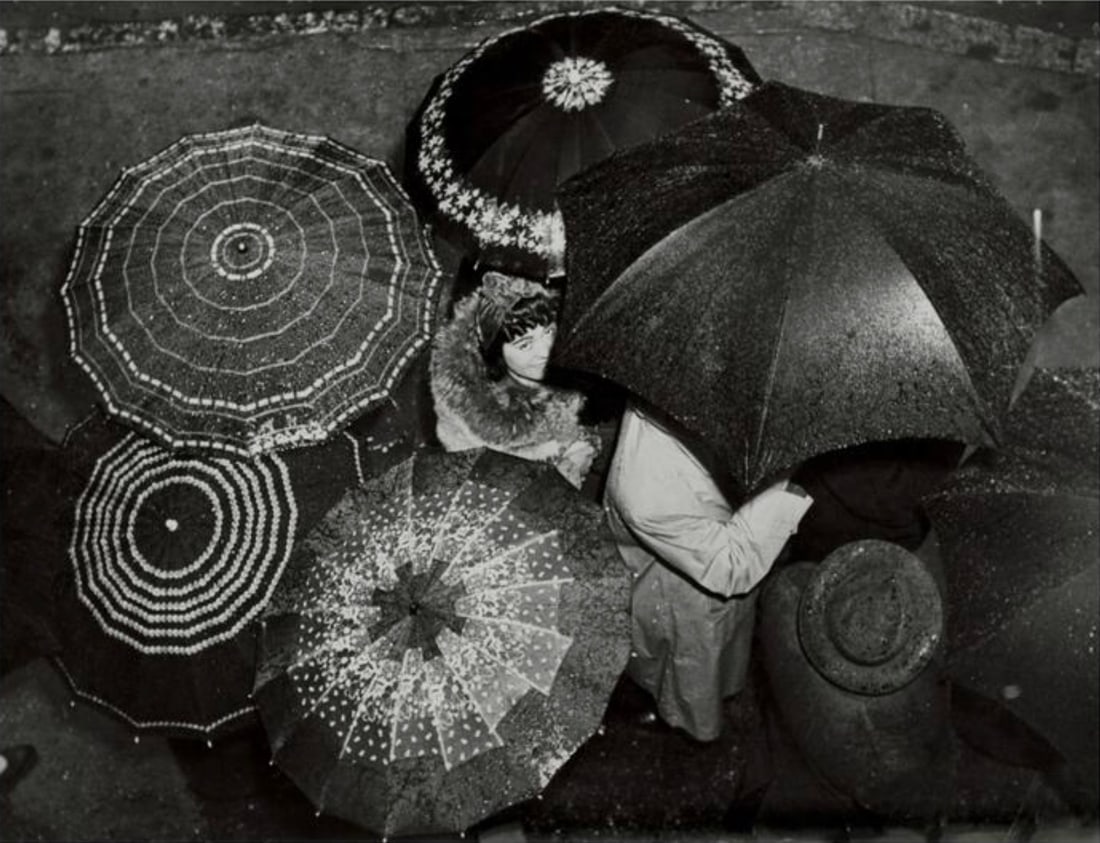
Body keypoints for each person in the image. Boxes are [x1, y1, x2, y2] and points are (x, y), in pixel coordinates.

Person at [604, 401, 813, 742]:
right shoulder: (647, 491)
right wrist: (786, 469)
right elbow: (731, 566)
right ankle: (686, 727)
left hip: (706, 565)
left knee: (717, 657)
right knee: (690, 678)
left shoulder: (671, 396)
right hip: (684, 593)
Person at [430, 270, 601, 489]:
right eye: (524, 344)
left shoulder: (575, 378)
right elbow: (480, 488)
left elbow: (589, 432)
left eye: (549, 332)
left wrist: (580, 453)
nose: (544, 351)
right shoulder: (467, 414)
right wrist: (557, 477)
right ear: (495, 352)